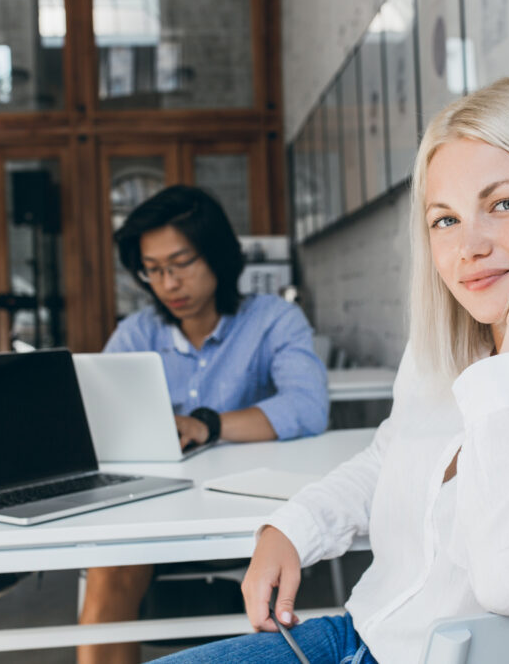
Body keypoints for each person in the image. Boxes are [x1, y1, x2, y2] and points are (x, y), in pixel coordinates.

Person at [148, 78, 509, 663]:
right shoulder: (446, 350)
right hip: (362, 637)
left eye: (504, 204)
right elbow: (389, 459)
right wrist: (294, 527)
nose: (467, 248)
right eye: (444, 219)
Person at [78, 185, 329, 664]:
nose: (168, 283)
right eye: (153, 270)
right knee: (107, 565)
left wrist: (208, 425)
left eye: (181, 263)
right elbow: (97, 419)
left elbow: (307, 405)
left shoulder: (274, 319)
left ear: (217, 255)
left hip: (247, 517)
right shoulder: (135, 334)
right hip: (153, 517)